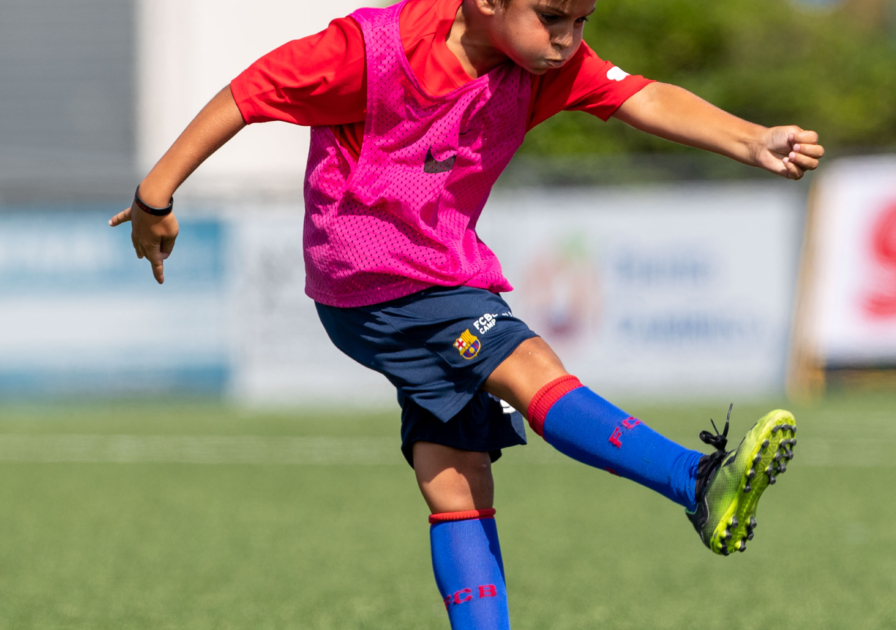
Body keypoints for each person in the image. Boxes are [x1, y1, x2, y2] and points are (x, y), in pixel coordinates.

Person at [109, 1, 820, 627]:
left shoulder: (541, 63)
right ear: (486, 2)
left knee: (456, 476)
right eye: (553, 16)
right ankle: (694, 483)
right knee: (529, 364)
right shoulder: (367, 51)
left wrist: (750, 139)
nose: (569, 38)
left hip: (433, 272)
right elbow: (250, 91)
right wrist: (155, 197)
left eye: (582, 21)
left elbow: (643, 96)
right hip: (375, 276)